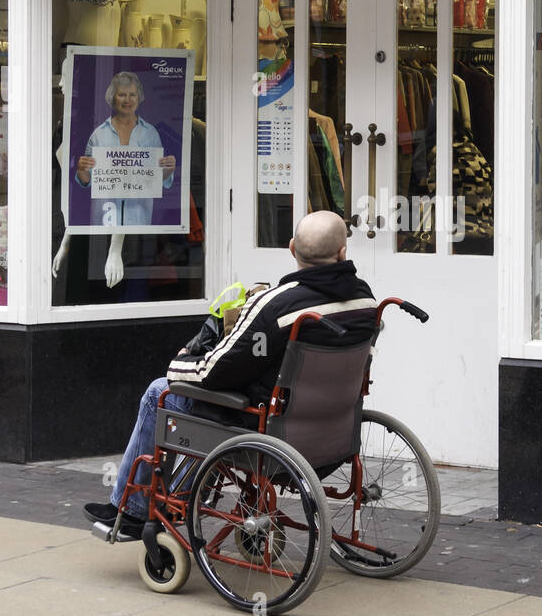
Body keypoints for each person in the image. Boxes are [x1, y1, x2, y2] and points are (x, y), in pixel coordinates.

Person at [84, 210, 377, 536]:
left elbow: (214, 372)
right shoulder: (365, 301)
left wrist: (180, 363)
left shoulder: (275, 306)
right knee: (213, 398)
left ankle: (133, 510)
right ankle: (182, 489)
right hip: (332, 430)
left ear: (292, 248)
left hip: (267, 429)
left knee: (160, 392)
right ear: (342, 252)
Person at [75, 70, 176, 227]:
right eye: (122, 94)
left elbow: (157, 178)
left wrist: (168, 170)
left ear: (139, 97)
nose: (127, 100)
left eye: (132, 94)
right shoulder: (98, 134)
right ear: (112, 97)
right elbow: (86, 181)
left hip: (139, 220)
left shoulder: (151, 133)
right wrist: (82, 170)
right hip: (104, 221)